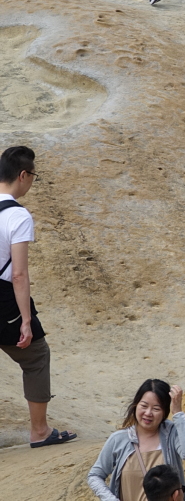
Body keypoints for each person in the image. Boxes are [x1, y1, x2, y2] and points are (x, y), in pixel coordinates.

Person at [0, 146, 77, 448]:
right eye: (33, 175)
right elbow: (19, 274)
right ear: (23, 175)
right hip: (4, 300)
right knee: (36, 356)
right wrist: (26, 320)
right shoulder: (17, 215)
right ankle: (40, 431)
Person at [88, 379, 185, 501]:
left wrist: (178, 413)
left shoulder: (172, 434)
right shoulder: (119, 439)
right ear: (136, 405)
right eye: (144, 406)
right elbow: (95, 476)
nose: (148, 413)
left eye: (156, 408)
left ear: (164, 412)